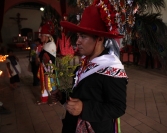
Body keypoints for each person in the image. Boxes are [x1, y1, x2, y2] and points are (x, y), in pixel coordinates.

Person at [51, 2, 128, 133]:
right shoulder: (84, 62)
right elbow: (83, 93)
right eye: (78, 36)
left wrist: (84, 108)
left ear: (99, 39)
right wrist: (64, 97)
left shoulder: (111, 68)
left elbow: (118, 107)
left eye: (83, 36)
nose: (77, 41)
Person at [36, 21, 57, 105]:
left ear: (46, 36)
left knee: (51, 85)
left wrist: (49, 71)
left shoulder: (51, 45)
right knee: (44, 84)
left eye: (41, 35)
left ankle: (54, 100)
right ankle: (44, 99)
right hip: (44, 68)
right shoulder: (45, 44)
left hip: (49, 70)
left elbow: (51, 60)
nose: (40, 37)